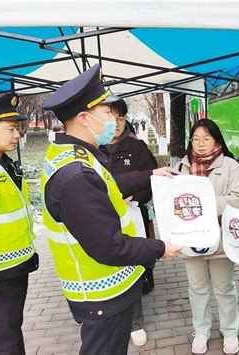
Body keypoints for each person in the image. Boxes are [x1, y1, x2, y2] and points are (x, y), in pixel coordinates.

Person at [40, 64, 181, 355]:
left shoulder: (75, 157)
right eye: (107, 112)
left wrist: (150, 175)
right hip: (100, 294)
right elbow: (109, 246)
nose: (114, 119)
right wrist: (158, 248)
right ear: (84, 118)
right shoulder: (76, 174)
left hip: (104, 290)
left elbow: (107, 185)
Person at [176, 119, 239, 354]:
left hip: (220, 241)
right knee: (197, 289)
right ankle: (202, 330)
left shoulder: (231, 166)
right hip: (191, 241)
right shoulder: (181, 167)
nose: (200, 144)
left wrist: (202, 204)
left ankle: (230, 331)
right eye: (196, 139)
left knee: (224, 288)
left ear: (217, 140)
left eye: (206, 139)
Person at [0, 93, 39, 354]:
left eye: (18, 128)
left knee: (10, 332)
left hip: (12, 271)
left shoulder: (1, 162)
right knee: (0, 343)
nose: (17, 135)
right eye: (10, 129)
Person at [100, 98, 158, 346]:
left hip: (133, 219)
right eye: (111, 118)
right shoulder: (93, 150)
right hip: (102, 222)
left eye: (121, 118)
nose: (117, 123)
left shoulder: (138, 149)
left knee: (133, 270)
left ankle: (135, 322)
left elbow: (152, 183)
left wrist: (136, 196)